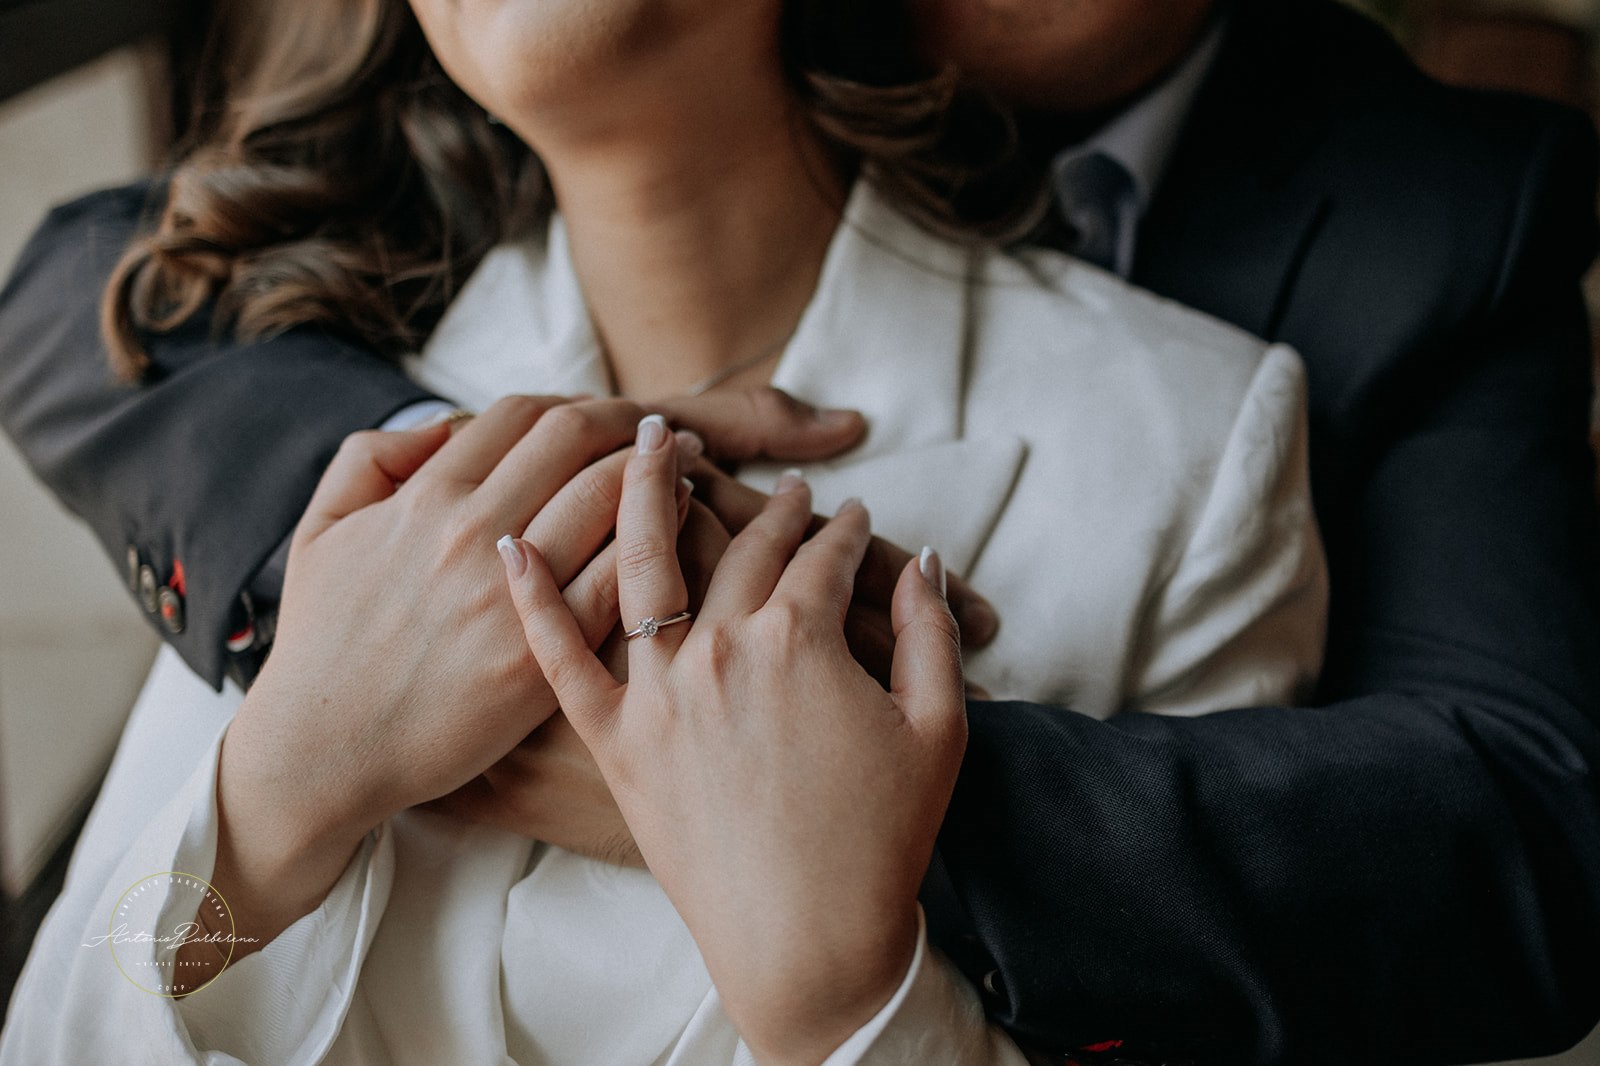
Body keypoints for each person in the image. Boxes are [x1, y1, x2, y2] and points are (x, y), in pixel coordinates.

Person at [0, 0, 1594, 1061]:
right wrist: (276, 802)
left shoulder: (1192, 436)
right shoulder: (357, 478)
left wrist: (850, 988)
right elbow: (89, 1012)